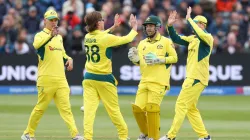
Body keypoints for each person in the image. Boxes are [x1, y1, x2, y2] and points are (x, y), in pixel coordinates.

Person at [21, 10, 83, 140]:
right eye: (51, 20)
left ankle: (75, 135)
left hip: (61, 79)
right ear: (45, 21)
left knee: (66, 109)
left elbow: (62, 53)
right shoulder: (40, 35)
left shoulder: (59, 37)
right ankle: (27, 134)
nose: (54, 22)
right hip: (46, 79)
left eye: (55, 20)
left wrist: (69, 59)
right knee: (40, 108)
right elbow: (36, 45)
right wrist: (50, 36)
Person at [159, 7, 213, 140]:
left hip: (196, 77)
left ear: (202, 25)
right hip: (193, 77)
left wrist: (189, 19)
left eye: (195, 23)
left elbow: (201, 34)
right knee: (190, 108)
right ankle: (204, 136)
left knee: (181, 104)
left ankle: (171, 136)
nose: (192, 25)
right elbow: (176, 39)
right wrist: (170, 26)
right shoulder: (192, 38)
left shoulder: (207, 38)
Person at [82, 11, 137, 140]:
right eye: (101, 20)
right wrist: (134, 27)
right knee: (114, 110)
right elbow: (127, 39)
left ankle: (87, 137)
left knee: (89, 112)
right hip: (104, 79)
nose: (103, 21)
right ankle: (123, 136)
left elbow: (100, 35)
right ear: (97, 23)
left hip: (89, 78)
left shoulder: (87, 37)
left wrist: (113, 27)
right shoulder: (105, 38)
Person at [128, 15, 178, 140]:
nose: (148, 29)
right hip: (144, 81)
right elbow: (142, 62)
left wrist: (159, 60)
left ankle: (153, 137)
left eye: (151, 26)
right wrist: (135, 60)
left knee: (152, 110)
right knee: (137, 109)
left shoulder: (165, 41)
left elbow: (175, 58)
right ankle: (146, 133)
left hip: (159, 82)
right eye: (146, 26)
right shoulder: (142, 43)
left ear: (157, 27)